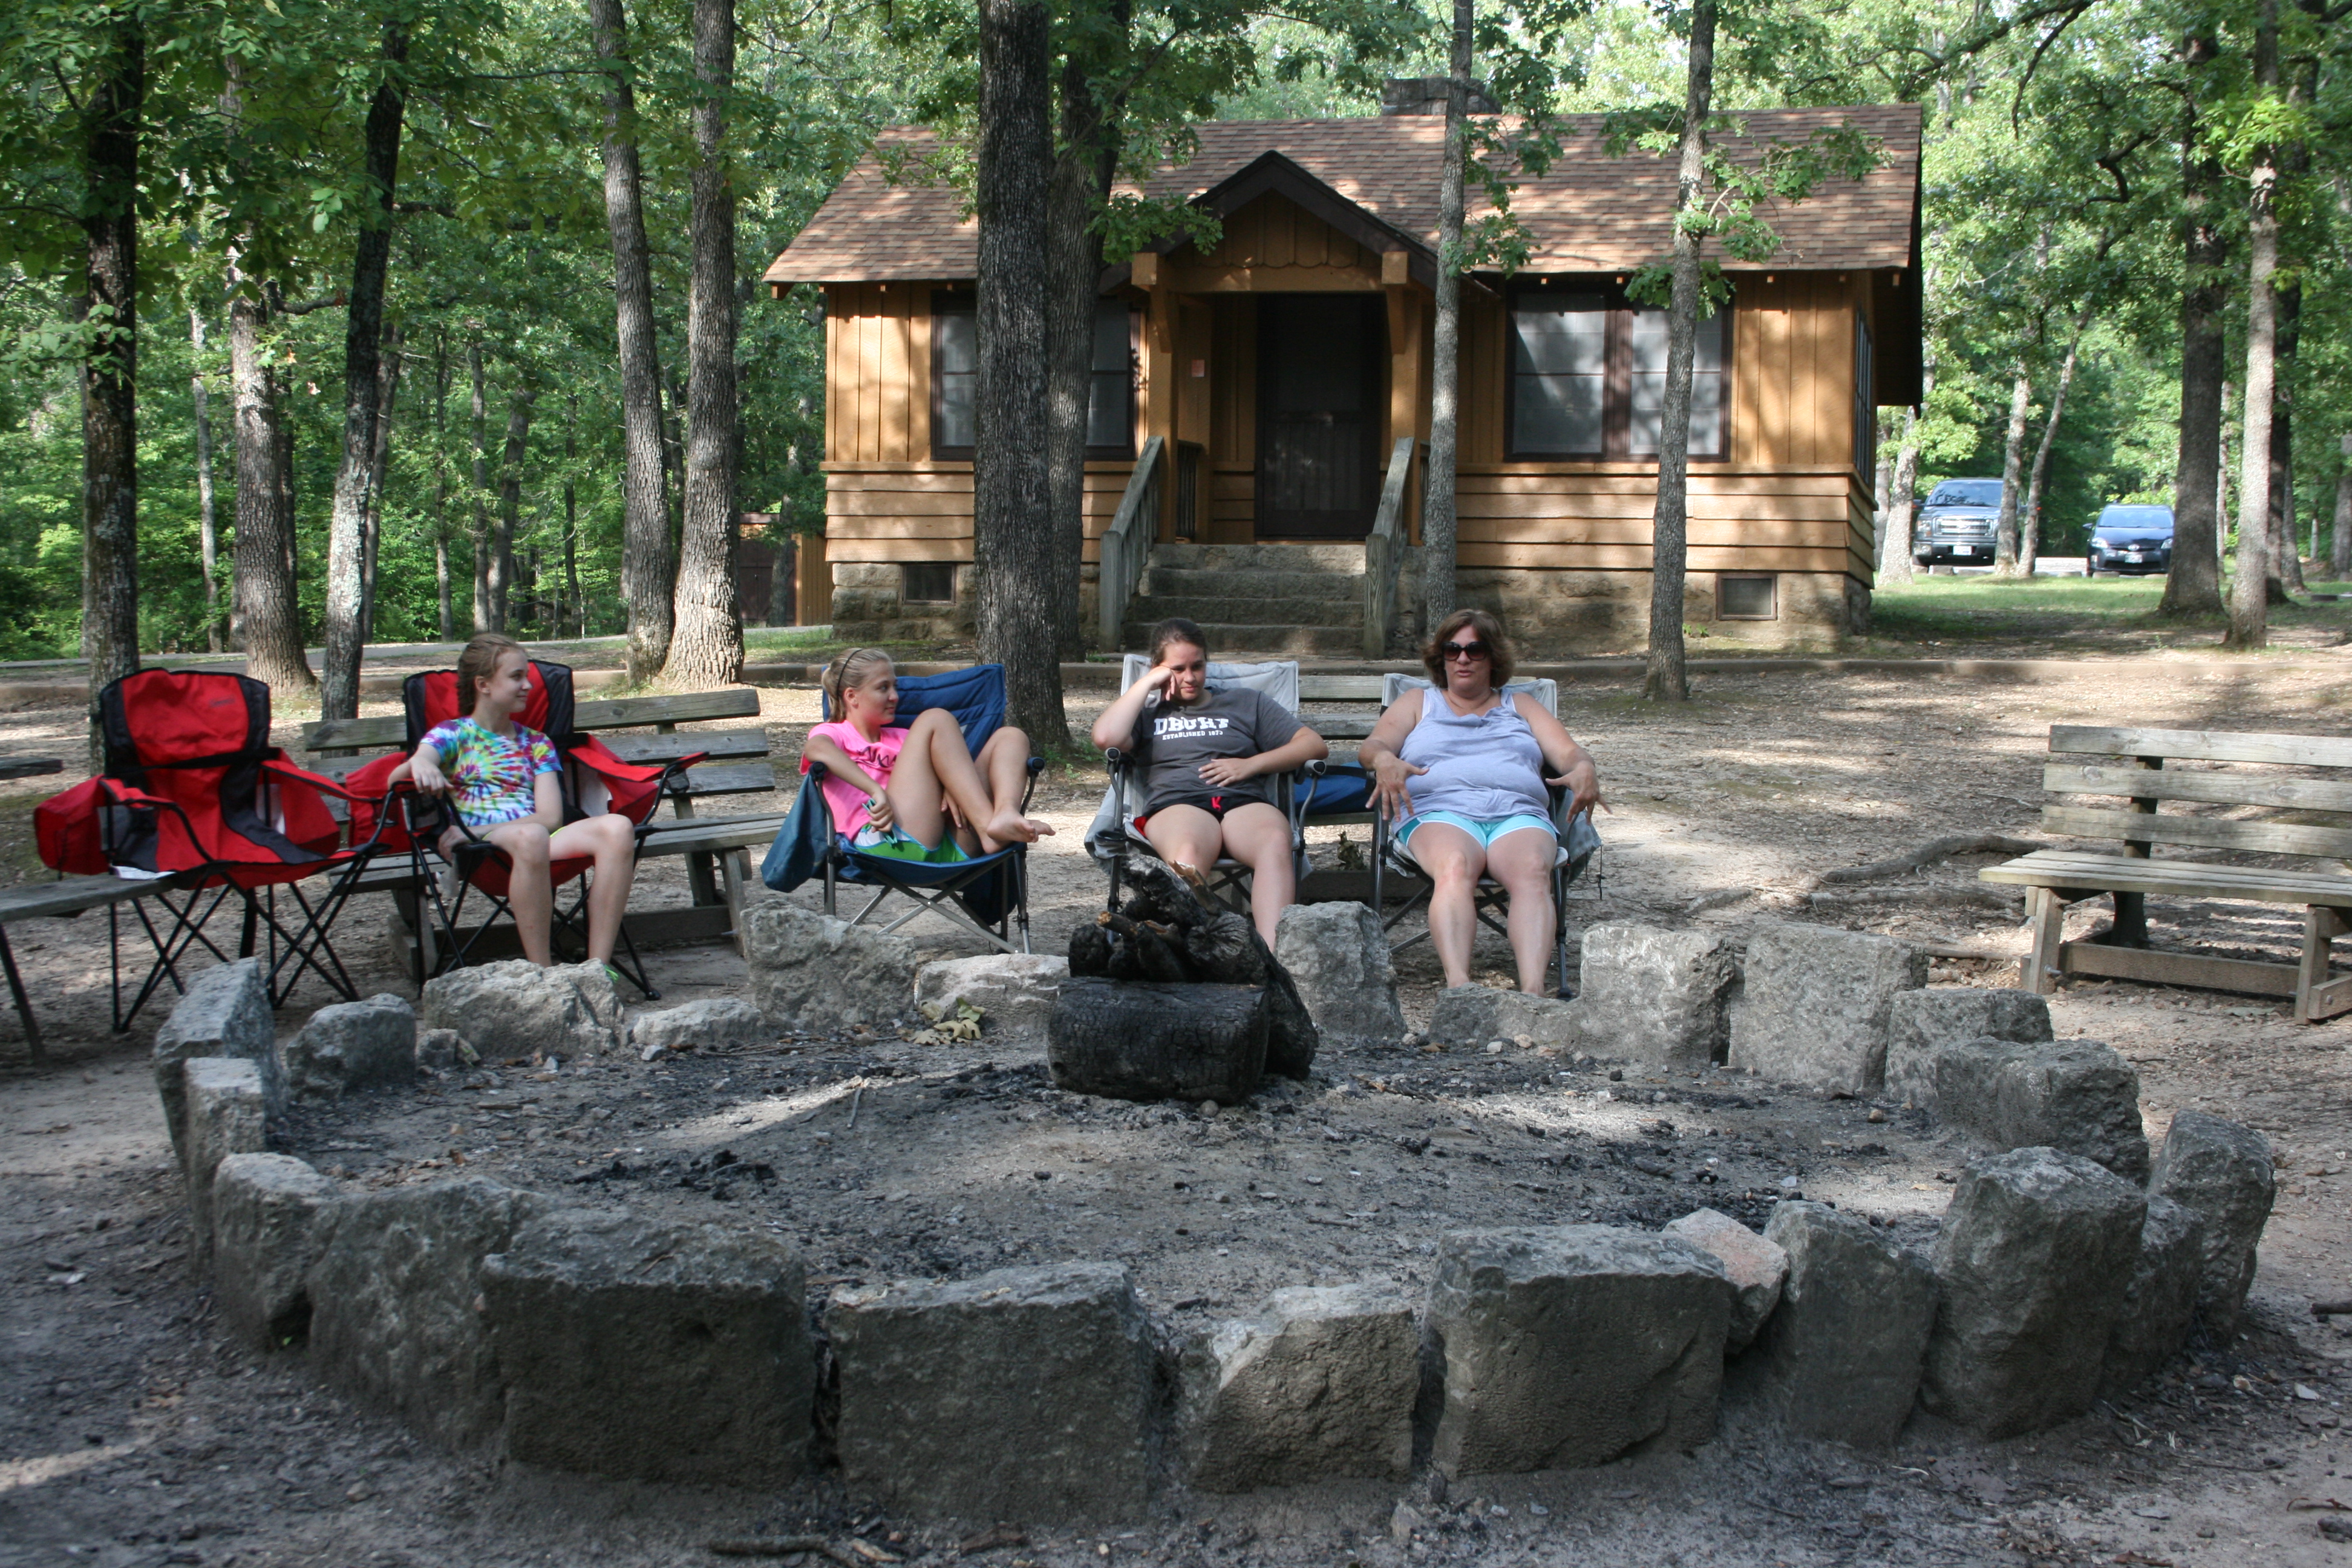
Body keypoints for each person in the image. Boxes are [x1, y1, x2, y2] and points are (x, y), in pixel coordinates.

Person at [1357, 609, 1603, 995]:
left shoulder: (1520, 704)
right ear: (1441, 657)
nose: (1463, 658)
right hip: (1439, 811)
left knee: (1532, 870)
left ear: (1493, 657)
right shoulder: (1418, 701)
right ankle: (1460, 989)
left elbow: (1569, 754)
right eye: (1452, 649)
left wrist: (1584, 767)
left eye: (1475, 649)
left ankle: (1533, 993)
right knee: (1455, 866)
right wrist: (1383, 759)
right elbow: (1374, 746)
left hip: (1517, 812)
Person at [393, 633, 639, 969]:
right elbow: (398, 779)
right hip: (483, 852)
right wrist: (420, 762)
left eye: (526, 676)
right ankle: (544, 971)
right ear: (484, 685)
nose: (528, 686)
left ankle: (598, 967)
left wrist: (480, 831)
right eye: (516, 677)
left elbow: (551, 817)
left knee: (618, 827)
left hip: (525, 836)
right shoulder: (452, 734)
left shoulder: (537, 742)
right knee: (531, 836)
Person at [1091, 618, 1329, 944]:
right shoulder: (1145, 715)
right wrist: (1146, 685)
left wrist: (1251, 765)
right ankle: (1185, 956)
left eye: (1197, 666)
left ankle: (1274, 962)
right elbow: (1106, 738)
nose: (1189, 678)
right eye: (1177, 669)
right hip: (1179, 804)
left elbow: (1313, 745)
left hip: (1243, 801)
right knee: (1187, 854)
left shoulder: (1246, 703)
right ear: (1158, 668)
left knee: (1275, 841)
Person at [801, 647, 1052, 864]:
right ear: (851, 696)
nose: (895, 697)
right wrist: (876, 791)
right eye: (883, 688)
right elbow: (816, 749)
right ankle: (991, 829)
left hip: (949, 843)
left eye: (895, 687)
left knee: (1011, 736)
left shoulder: (905, 737)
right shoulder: (835, 732)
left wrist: (950, 786)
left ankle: (1004, 815)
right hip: (884, 840)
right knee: (936, 718)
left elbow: (938, 776)